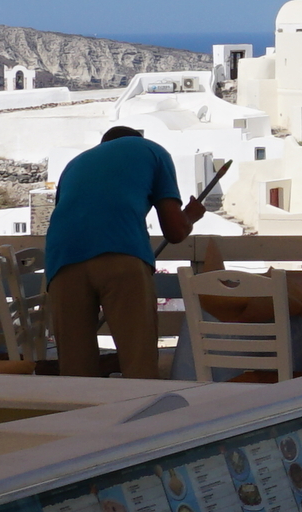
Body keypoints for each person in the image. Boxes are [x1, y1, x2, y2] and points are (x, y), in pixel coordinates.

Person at [42, 123, 196, 379]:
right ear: (137, 138)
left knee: (75, 368)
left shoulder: (75, 163)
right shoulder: (153, 151)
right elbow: (175, 231)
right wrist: (192, 214)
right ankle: (139, 416)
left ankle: (80, 416)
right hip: (121, 253)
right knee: (138, 360)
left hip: (62, 260)